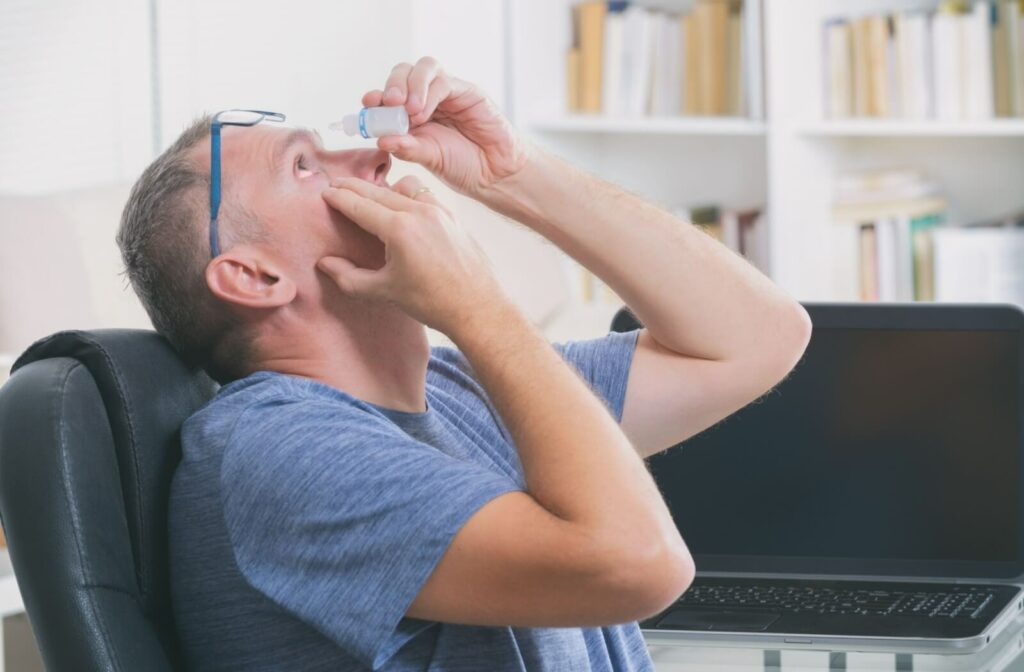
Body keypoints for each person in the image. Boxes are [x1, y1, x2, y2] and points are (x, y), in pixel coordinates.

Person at [117, 57, 811, 671]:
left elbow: (759, 338)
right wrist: (477, 307)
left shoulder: (455, 387)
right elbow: (642, 564)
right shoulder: (277, 452)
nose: (373, 160)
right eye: (305, 166)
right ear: (255, 278)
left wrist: (512, 173)